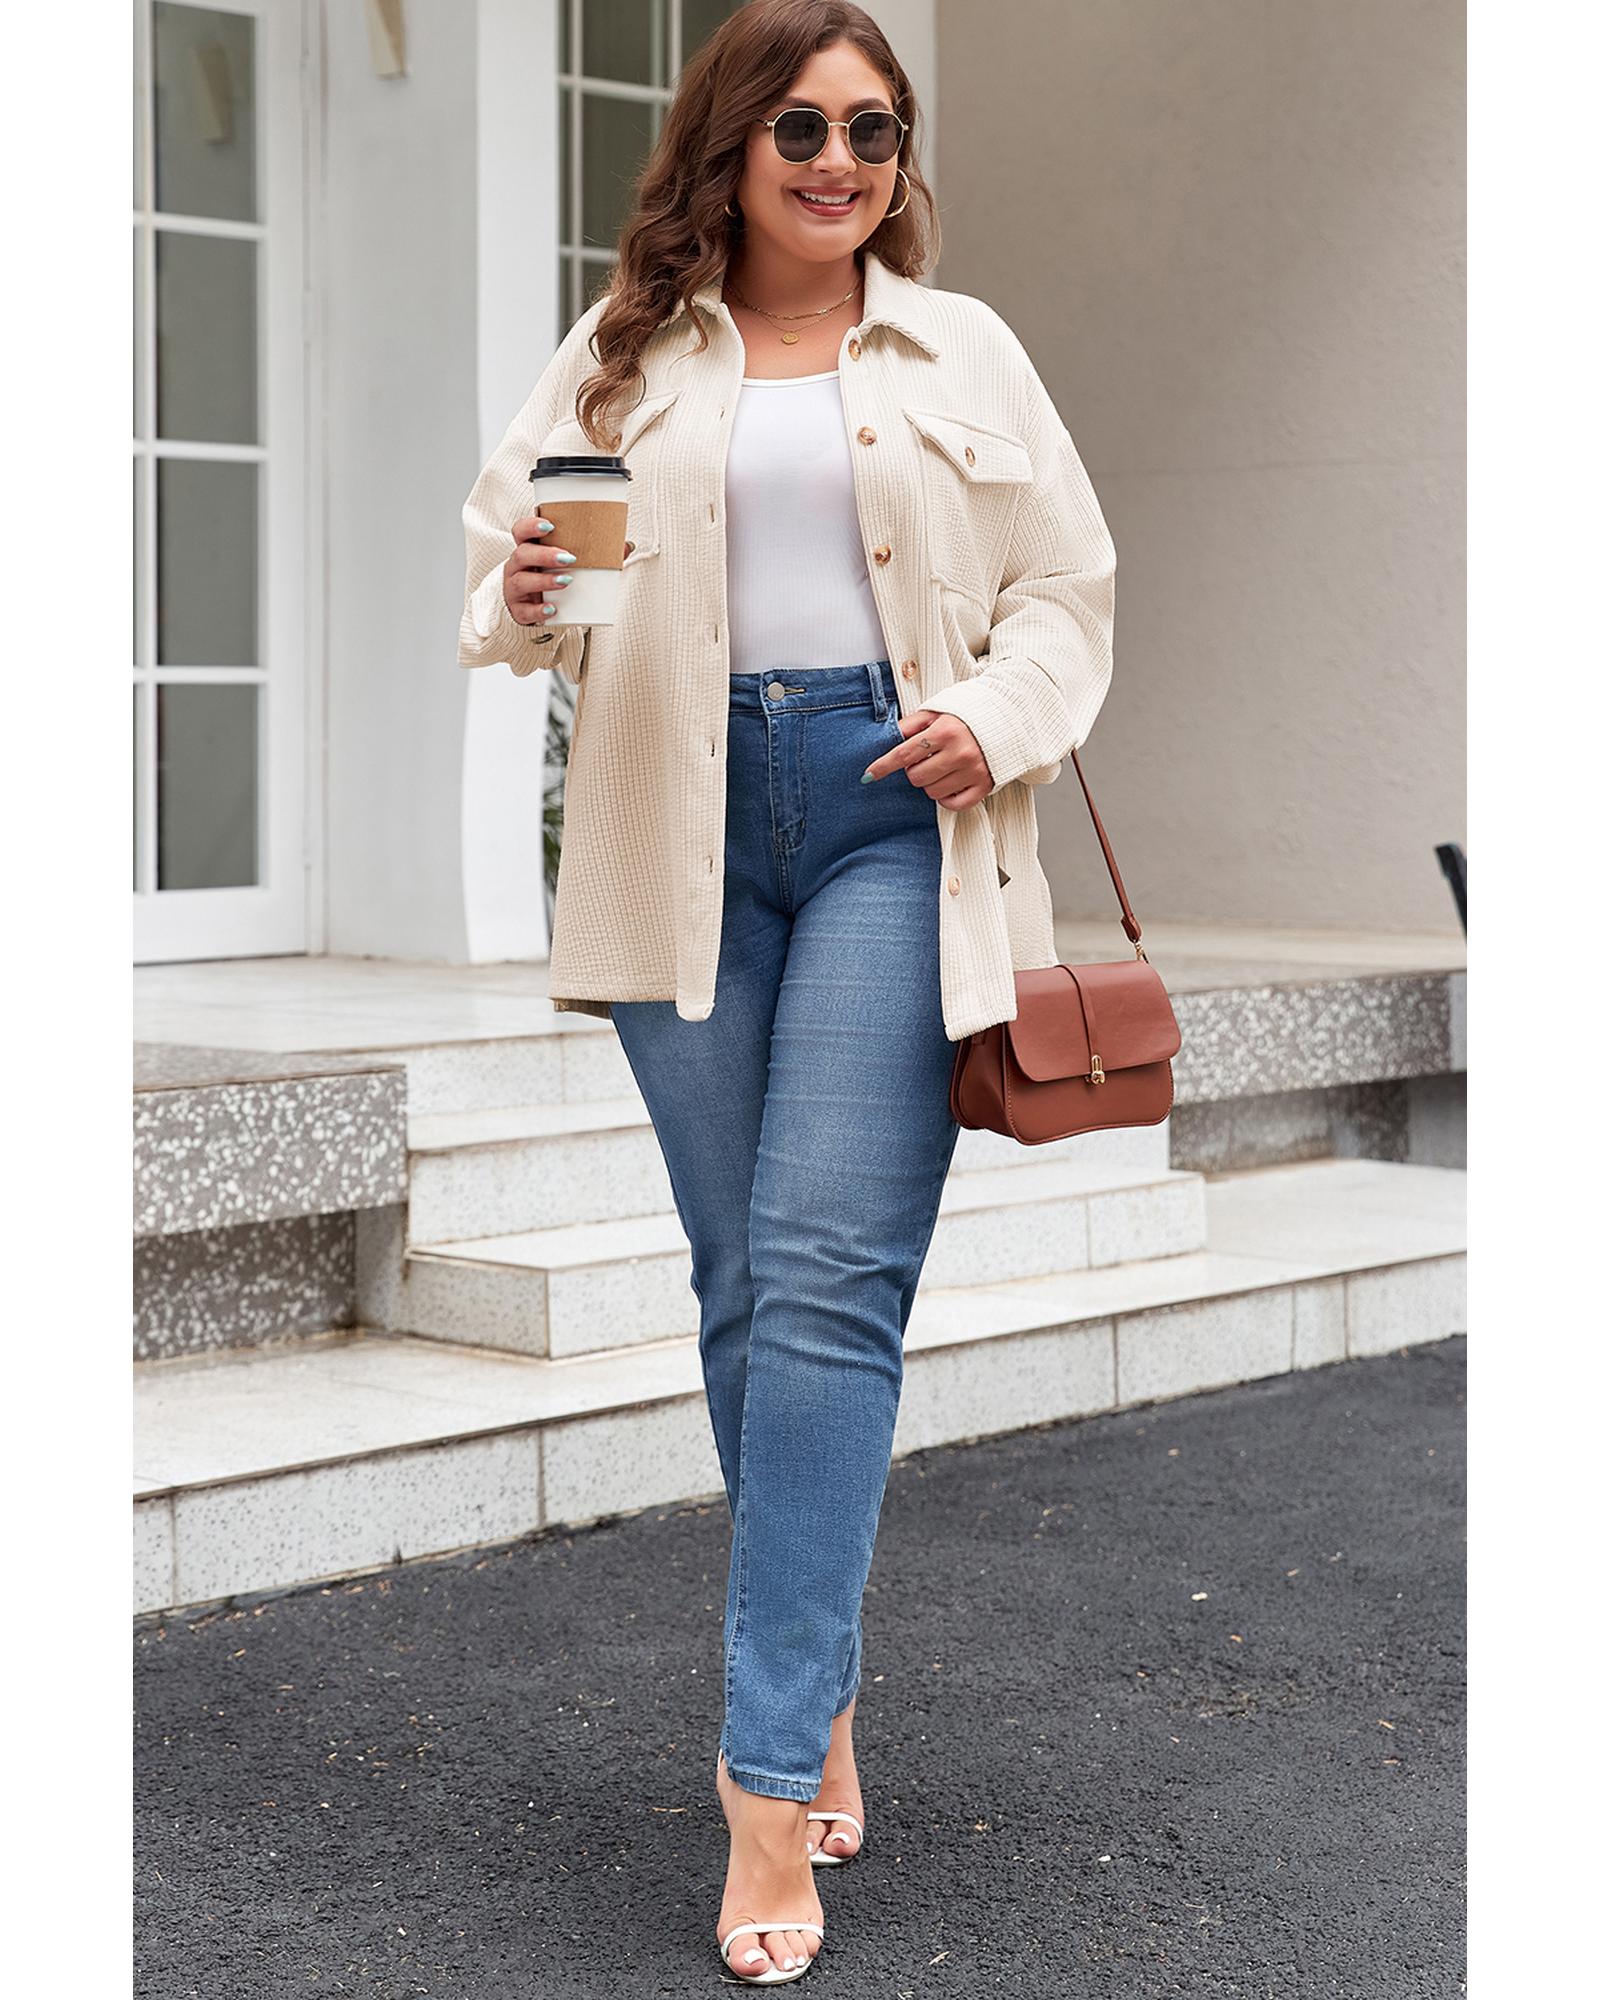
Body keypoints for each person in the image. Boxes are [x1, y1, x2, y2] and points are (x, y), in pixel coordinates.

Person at [457, 3, 1117, 1981]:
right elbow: (520, 583)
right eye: (805, 127)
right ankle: (814, 1682)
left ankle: (762, 1789)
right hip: (676, 821)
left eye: (874, 128)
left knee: (828, 1279)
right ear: (733, 145)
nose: (841, 160)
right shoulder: (629, 351)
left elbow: (1067, 591)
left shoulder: (963, 347)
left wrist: (992, 712)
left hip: (891, 814)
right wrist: (524, 597)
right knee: (745, 1280)